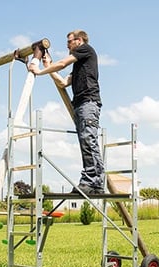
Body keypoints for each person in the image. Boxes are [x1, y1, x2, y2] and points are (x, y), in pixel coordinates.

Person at [28, 30, 105, 194]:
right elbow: (63, 82)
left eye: (69, 42)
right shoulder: (80, 64)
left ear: (79, 40)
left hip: (88, 103)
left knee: (88, 140)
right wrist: (48, 67)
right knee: (86, 142)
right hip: (81, 105)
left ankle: (92, 181)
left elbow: (62, 63)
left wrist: (39, 71)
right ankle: (95, 183)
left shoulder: (86, 49)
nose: (68, 45)